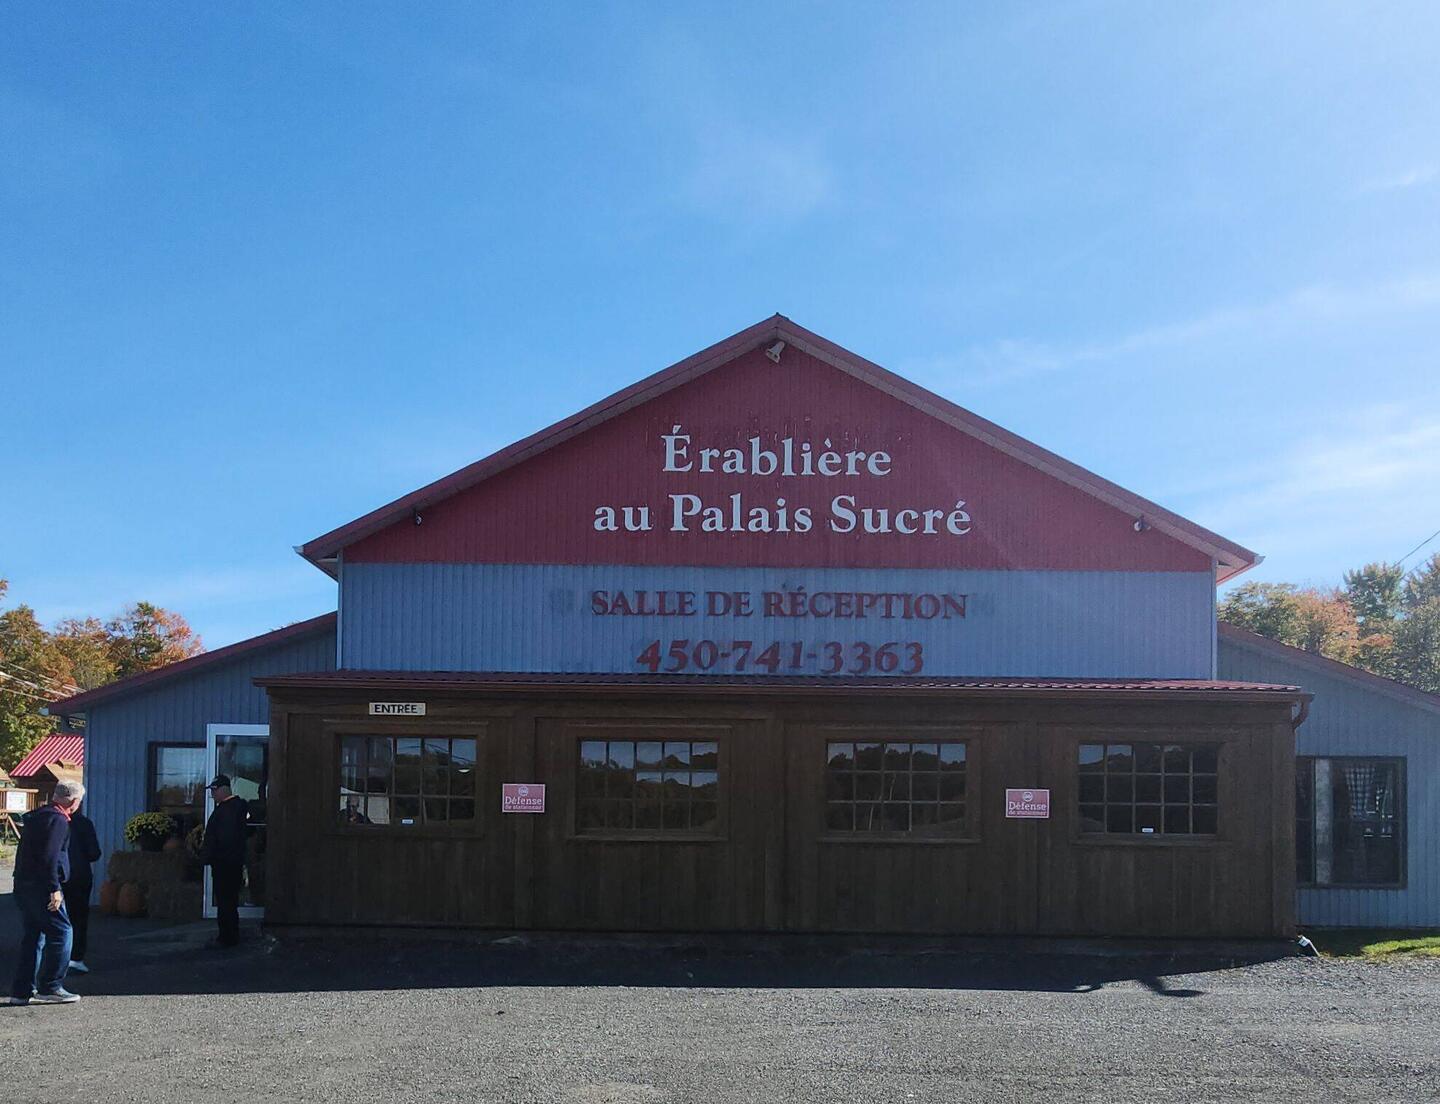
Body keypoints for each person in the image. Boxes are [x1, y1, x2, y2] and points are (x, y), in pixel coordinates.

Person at [8, 780, 85, 1005]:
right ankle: (51, 986)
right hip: (43, 887)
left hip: (24, 884)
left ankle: (21, 991)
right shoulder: (58, 821)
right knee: (63, 932)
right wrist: (55, 888)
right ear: (74, 801)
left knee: (33, 936)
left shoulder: (36, 817)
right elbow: (50, 856)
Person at [199, 774, 248, 947]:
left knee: (225, 900)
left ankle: (226, 937)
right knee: (228, 900)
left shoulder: (228, 810)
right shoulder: (233, 809)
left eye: (214, 790)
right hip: (229, 862)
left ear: (223, 790)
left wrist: (210, 855)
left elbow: (224, 838)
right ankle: (229, 935)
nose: (212, 794)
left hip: (225, 863)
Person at [63, 801, 102, 975]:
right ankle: (76, 958)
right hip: (79, 876)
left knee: (53, 919)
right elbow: (94, 853)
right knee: (78, 918)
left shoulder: (46, 821)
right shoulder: (84, 824)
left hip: (54, 877)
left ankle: (55, 957)